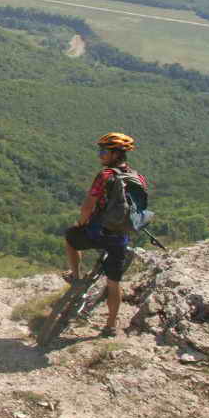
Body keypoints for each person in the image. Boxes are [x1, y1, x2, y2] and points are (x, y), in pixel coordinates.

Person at [63, 132, 146, 338]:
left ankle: (76, 276)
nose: (99, 155)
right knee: (113, 283)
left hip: (99, 232)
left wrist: (81, 223)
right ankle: (110, 326)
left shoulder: (105, 176)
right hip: (121, 236)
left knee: (71, 237)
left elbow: (88, 207)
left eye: (103, 152)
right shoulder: (139, 178)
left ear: (115, 154)